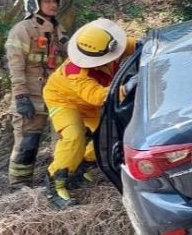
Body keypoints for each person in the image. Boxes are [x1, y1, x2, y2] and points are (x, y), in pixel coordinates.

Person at [42, 18, 136, 209]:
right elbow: (97, 96)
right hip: (64, 101)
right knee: (73, 137)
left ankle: (81, 164)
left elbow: (136, 45)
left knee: (111, 135)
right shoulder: (75, 73)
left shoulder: (111, 46)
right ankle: (55, 182)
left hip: (90, 103)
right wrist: (126, 88)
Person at [4, 0, 64, 187]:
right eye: (47, 1)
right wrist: (21, 97)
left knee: (64, 138)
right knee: (27, 142)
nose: (53, 5)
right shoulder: (22, 30)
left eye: (54, 0)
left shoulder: (58, 29)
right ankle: (19, 184)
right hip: (31, 95)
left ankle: (60, 178)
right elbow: (16, 67)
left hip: (56, 94)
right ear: (34, 4)